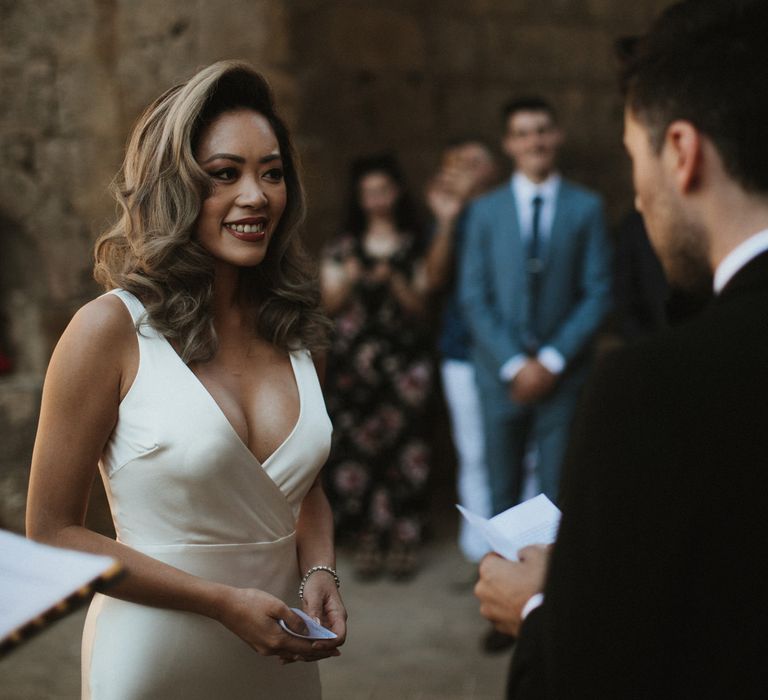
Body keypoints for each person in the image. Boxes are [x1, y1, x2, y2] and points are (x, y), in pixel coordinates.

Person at [26, 61, 346, 699]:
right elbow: (52, 533)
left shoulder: (294, 328)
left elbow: (295, 487)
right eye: (225, 174)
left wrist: (321, 567)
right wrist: (219, 602)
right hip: (154, 660)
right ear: (173, 188)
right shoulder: (107, 331)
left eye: (272, 172)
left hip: (280, 656)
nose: (256, 196)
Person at [474, 1, 768, 697]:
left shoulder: (651, 389)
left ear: (681, 152)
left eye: (634, 158)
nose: (638, 199)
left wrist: (541, 608)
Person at [459, 98, 612, 513]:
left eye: (542, 130)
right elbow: (473, 296)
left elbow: (599, 291)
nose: (535, 141)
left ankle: (552, 577)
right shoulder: (483, 211)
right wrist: (514, 363)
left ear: (557, 135)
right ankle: (499, 573)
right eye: (523, 133)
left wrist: (551, 360)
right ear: (509, 144)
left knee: (559, 490)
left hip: (563, 374)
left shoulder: (587, 207)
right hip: (500, 374)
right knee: (501, 489)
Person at [321, 153, 433, 581]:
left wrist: (395, 282)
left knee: (405, 450)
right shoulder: (342, 247)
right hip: (355, 368)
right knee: (357, 451)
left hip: (404, 366)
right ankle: (368, 536)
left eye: (382, 190)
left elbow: (423, 309)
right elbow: (327, 307)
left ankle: (404, 536)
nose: (376, 199)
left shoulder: (413, 244)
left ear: (397, 192)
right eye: (368, 192)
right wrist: (350, 279)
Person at [425, 137, 499, 567]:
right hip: (461, 351)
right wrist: (448, 220)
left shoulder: (509, 209)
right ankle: (480, 556)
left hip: (506, 353)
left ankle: (524, 548)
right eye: (455, 162)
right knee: (472, 453)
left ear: (494, 168)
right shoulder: (451, 216)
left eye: (473, 161)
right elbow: (433, 280)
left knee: (518, 455)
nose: (463, 169)